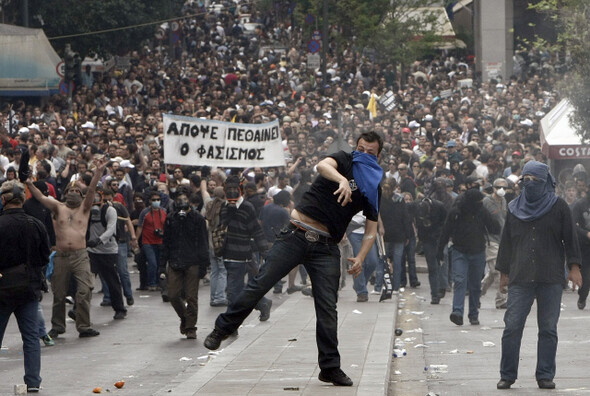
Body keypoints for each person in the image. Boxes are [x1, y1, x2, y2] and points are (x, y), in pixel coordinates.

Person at [204, 131, 384, 387]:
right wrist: (342, 180)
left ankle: (330, 368)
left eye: (371, 153)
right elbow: (322, 165)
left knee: (327, 309)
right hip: (295, 235)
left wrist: (361, 257)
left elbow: (371, 229)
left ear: (379, 156)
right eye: (361, 149)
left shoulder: (373, 187)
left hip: (326, 247)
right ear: (355, 148)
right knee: (260, 283)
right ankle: (222, 328)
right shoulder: (344, 160)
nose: (364, 155)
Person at [496, 161, 582, 390]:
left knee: (548, 328)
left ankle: (545, 374)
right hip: (520, 276)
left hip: (550, 276)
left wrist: (574, 268)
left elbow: (571, 239)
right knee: (512, 326)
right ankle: (507, 374)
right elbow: (506, 242)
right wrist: (503, 273)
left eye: (535, 180)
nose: (530, 184)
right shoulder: (514, 207)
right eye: (526, 179)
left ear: (545, 182)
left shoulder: (559, 207)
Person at [26, 158, 107, 339]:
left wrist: (98, 173)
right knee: (59, 293)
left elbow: (92, 189)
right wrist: (29, 183)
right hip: (62, 256)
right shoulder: (58, 207)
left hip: (80, 255)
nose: (73, 193)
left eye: (77, 191)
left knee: (85, 290)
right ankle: (58, 326)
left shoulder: (85, 208)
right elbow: (40, 197)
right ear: (65, 193)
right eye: (70, 190)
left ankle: (84, 326)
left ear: (82, 194)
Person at [0, 180, 51, 393]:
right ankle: (33, 382)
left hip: (2, 290)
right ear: (23, 199)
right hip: (29, 289)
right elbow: (44, 256)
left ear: (4, 200)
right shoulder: (35, 224)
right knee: (31, 337)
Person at [438, 188, 500, 326]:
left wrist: (492, 217)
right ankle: (458, 312)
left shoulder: (482, 211)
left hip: (478, 252)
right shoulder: (456, 212)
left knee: (475, 285)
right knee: (459, 281)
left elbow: (494, 228)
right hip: (460, 251)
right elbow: (446, 231)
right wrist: (439, 251)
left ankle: (473, 314)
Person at [217, 175, 272, 324]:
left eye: (235, 189)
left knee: (234, 291)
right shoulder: (224, 207)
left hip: (243, 256)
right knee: (240, 290)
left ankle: (231, 323)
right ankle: (262, 303)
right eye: (229, 189)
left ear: (240, 190)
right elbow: (221, 226)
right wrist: (230, 209)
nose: (232, 192)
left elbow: (256, 230)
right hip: (228, 255)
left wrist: (265, 251)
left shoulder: (247, 207)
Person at [160, 191, 210, 339]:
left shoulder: (197, 219)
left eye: (185, 198)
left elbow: (203, 242)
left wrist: (203, 265)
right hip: (175, 261)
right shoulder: (171, 219)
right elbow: (166, 242)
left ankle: (190, 327)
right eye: (179, 199)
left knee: (191, 297)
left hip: (192, 262)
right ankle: (185, 318)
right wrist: (162, 265)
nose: (182, 201)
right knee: (173, 295)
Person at [86, 188, 128, 320]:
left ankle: (120, 308)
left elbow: (111, 229)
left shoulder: (110, 210)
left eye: (98, 197)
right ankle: (78, 309)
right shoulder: (86, 211)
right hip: (91, 251)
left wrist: (99, 240)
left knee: (112, 280)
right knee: (86, 282)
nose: (96, 200)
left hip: (108, 251)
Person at [259, 190, 303, 294]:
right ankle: (290, 285)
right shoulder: (283, 211)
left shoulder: (266, 207)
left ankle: (276, 285)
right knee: (292, 262)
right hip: (277, 240)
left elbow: (260, 222)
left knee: (271, 263)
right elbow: (290, 225)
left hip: (265, 239)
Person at [481, 178, 509, 309]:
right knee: (498, 270)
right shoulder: (486, 202)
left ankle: (477, 293)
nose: (501, 190)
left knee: (493, 272)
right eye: (498, 187)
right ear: (493, 188)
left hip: (502, 240)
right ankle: (501, 299)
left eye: (504, 187)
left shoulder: (504, 201)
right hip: (490, 240)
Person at [414, 197, 447, 304]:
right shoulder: (417, 207)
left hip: (439, 238)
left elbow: (446, 221)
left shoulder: (439, 206)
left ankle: (442, 286)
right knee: (432, 266)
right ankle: (435, 294)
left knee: (441, 263)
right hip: (427, 239)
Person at [571, 182, 590, 310]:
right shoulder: (580, 205)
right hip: (584, 246)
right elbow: (572, 225)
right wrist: (586, 234)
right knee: (586, 276)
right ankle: (582, 297)